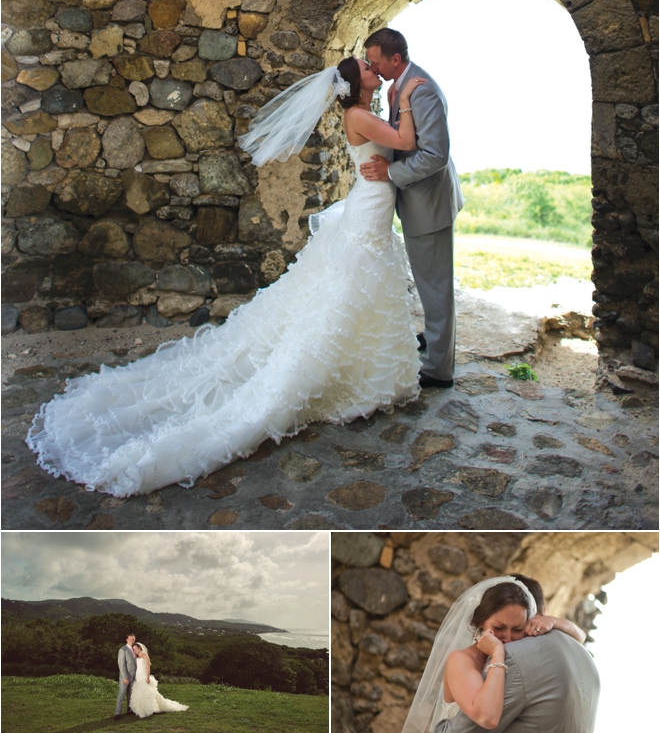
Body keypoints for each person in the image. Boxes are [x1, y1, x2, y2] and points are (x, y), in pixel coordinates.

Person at [27, 59, 424, 497]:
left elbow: (390, 144)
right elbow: (405, 140)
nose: (376, 69)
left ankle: (359, 366)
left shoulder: (363, 112)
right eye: (369, 66)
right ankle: (331, 373)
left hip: (369, 204)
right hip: (368, 207)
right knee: (346, 287)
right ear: (355, 82)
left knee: (351, 288)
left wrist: (391, 107)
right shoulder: (358, 114)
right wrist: (404, 100)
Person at [360, 28, 463, 388]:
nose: (373, 67)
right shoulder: (398, 87)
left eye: (376, 62)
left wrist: (391, 171)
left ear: (396, 60)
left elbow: (435, 155)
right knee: (428, 283)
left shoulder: (421, 91)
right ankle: (436, 342)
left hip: (429, 203)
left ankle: (438, 368)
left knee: (435, 287)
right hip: (418, 200)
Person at [402, 576, 599, 733]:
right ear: (481, 623)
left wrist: (554, 622)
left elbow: (578, 636)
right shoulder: (461, 660)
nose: (508, 638)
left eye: (518, 629)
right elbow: (487, 717)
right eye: (498, 627)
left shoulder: (515, 659)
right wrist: (497, 653)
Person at [129, 643, 189, 719]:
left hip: (144, 675)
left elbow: (148, 667)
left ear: (140, 648)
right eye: (133, 649)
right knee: (139, 692)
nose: (135, 650)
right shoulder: (137, 657)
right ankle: (141, 709)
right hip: (138, 676)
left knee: (147, 692)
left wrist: (147, 678)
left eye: (136, 648)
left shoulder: (145, 655)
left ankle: (150, 708)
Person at [115, 632, 137, 720]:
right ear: (126, 640)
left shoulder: (135, 649)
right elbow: (121, 665)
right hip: (125, 676)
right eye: (130, 639)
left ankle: (129, 709)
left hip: (133, 676)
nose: (132, 641)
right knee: (121, 694)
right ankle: (117, 713)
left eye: (133, 639)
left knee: (130, 694)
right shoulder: (123, 650)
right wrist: (125, 677)